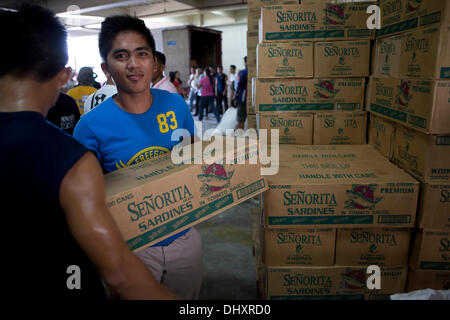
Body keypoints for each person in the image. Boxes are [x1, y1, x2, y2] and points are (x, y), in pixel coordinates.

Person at [0, 4, 177, 300]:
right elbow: (120, 273)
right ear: (63, 75)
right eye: (121, 56)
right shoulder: (71, 160)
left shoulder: (172, 105)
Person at [73, 15, 202, 300]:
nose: (133, 64)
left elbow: (194, 161)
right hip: (130, 247)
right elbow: (86, 204)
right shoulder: (90, 127)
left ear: (154, 62)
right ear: (106, 68)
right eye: (121, 56)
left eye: (141, 54)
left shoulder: (176, 105)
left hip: (184, 236)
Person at [235, 56, 248, 129]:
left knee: (240, 119)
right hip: (254, 97)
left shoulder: (242, 72)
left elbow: (239, 86)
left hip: (243, 98)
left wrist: (236, 98)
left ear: (246, 62)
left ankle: (240, 135)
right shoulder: (257, 71)